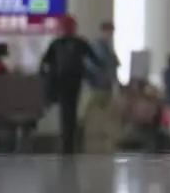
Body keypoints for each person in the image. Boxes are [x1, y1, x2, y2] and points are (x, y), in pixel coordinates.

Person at [39, 16, 99, 153]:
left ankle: (67, 142)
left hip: (63, 81)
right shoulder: (78, 43)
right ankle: (68, 142)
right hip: (73, 81)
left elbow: (45, 63)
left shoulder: (57, 44)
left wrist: (45, 76)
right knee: (70, 111)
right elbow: (94, 59)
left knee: (66, 112)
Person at [86, 21, 121, 98]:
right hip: (97, 84)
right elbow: (93, 65)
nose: (110, 35)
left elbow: (114, 64)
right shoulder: (96, 46)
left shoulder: (108, 47)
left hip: (106, 84)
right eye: (109, 32)